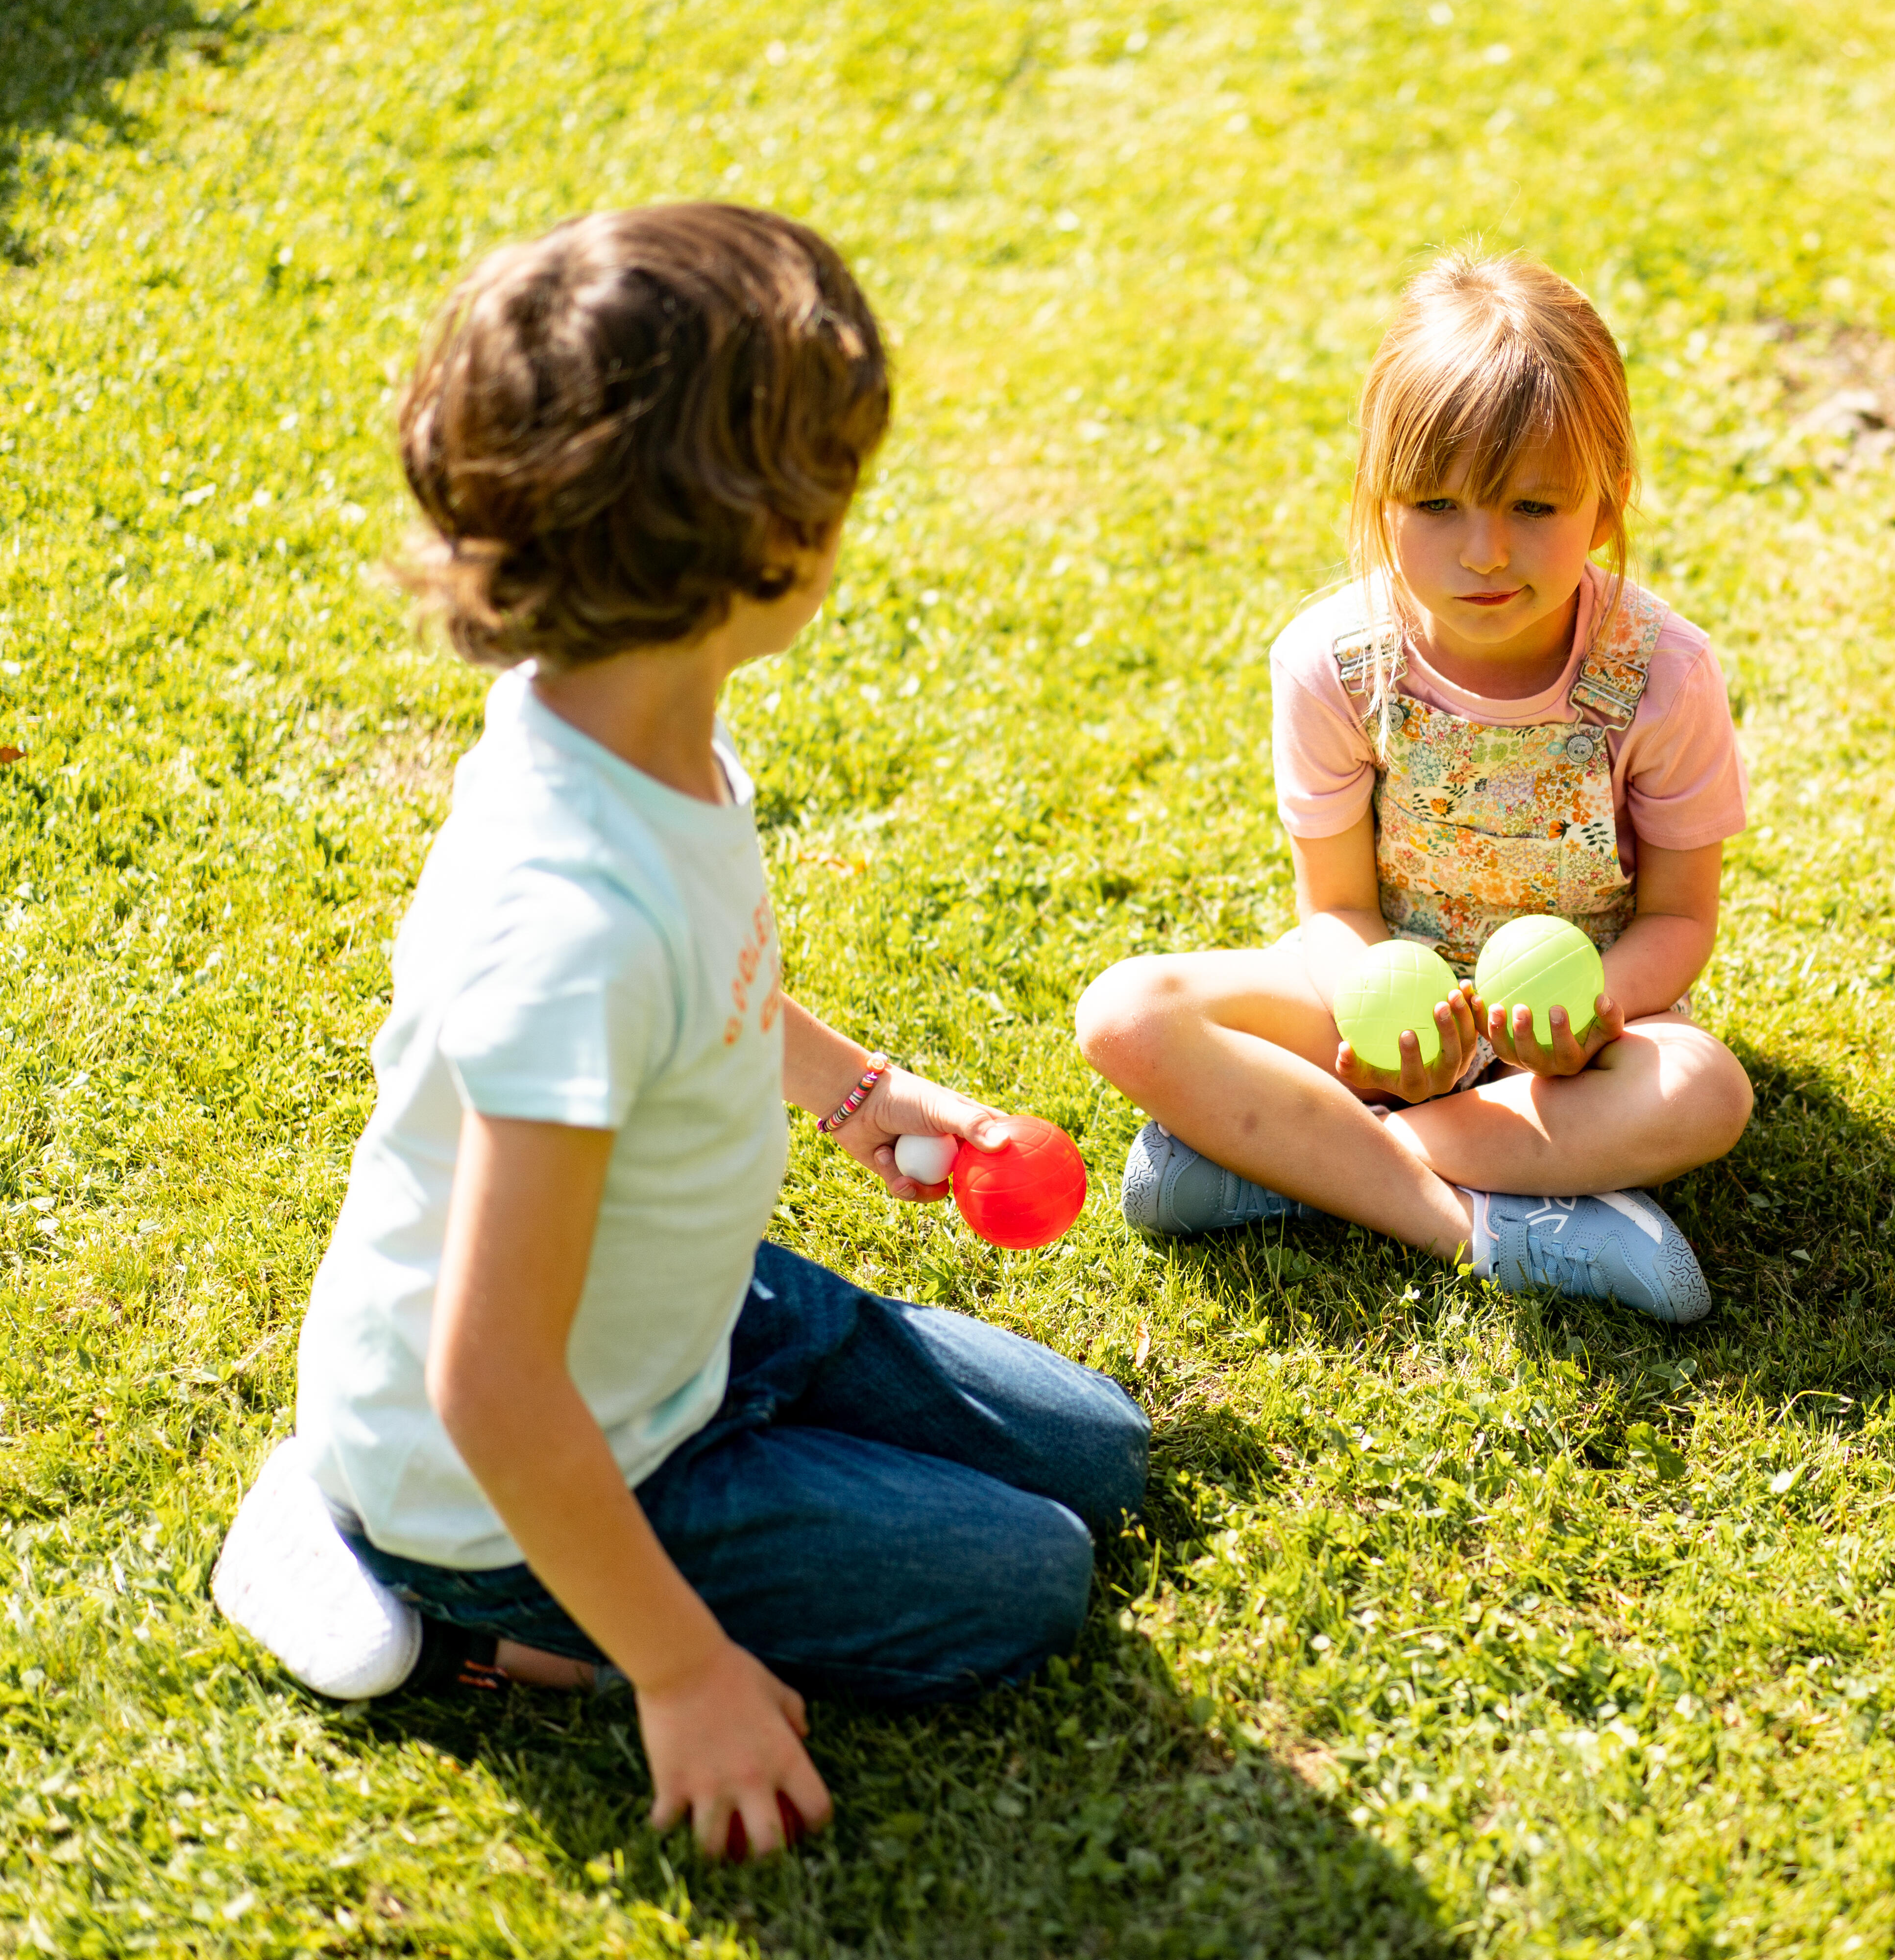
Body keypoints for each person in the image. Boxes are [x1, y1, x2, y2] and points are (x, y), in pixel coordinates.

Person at [209, 205, 1150, 1861]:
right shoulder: (562, 922)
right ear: (763, 546)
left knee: (1106, 1458)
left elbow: (703, 972)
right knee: (1027, 1579)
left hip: (689, 1332)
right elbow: (498, 1382)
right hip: (513, 1465)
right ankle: (450, 1604)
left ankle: (563, 1513)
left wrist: (849, 1089)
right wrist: (682, 1668)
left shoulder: (633, 725)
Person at [1075, 250, 1754, 1323]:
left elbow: (1679, 916)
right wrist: (1382, 1015)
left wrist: (1596, 1013)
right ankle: (1484, 1222)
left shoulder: (1661, 672)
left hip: (1577, 1051)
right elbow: (1336, 908)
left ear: (1608, 500)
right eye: (1437, 503)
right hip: (1376, 1012)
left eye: (1536, 505)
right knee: (1125, 1013)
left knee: (1709, 1089)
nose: (1487, 551)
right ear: (1379, 495)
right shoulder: (1334, 661)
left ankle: (1299, 1162)